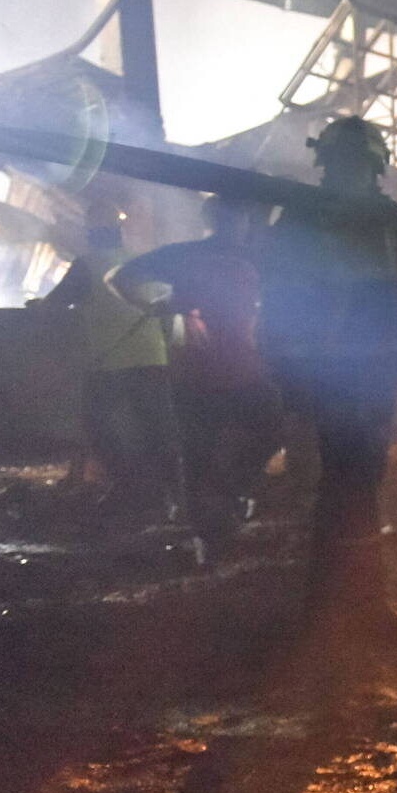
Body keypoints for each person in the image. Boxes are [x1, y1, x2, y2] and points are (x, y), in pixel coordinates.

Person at [259, 117, 397, 633]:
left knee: (362, 479)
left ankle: (356, 603)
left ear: (375, 168)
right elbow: (278, 298)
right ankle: (336, 608)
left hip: (375, 367)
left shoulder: (384, 219)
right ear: (326, 166)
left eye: (357, 165)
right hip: (327, 369)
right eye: (341, 165)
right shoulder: (301, 216)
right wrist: (288, 371)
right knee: (348, 480)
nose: (349, 173)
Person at [114, 194, 281, 552]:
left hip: (221, 371)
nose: (241, 226)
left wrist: (154, 304)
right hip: (208, 373)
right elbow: (120, 277)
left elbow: (121, 278)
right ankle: (211, 533)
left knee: (234, 442)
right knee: (203, 452)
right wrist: (156, 304)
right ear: (226, 221)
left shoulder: (200, 255)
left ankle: (222, 506)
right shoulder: (217, 255)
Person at [38, 195, 185, 526]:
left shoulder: (86, 265)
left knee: (101, 427)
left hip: (111, 362)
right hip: (152, 357)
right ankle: (175, 497)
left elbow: (53, 306)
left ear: (90, 230)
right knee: (159, 430)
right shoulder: (137, 260)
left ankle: (133, 490)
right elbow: (165, 305)